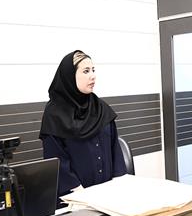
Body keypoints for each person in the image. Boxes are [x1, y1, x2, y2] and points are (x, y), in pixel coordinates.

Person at [39, 50, 127, 200]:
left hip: (109, 196)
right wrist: (82, 195)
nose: (92, 76)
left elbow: (115, 150)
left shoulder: (101, 108)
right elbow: (57, 161)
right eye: (86, 71)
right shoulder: (54, 114)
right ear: (70, 76)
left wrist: (117, 185)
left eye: (93, 70)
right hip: (75, 199)